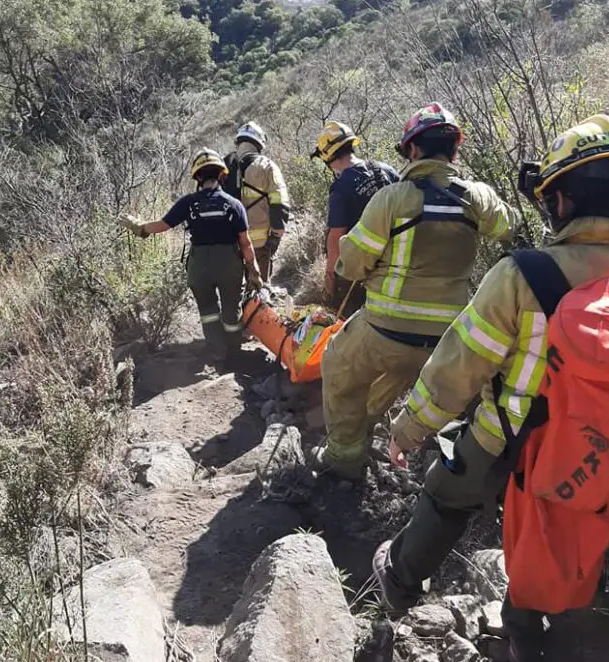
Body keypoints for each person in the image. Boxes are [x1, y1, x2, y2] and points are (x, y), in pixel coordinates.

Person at [372, 114, 609, 662]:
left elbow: (459, 367)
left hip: (504, 440)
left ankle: (399, 584)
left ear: (562, 201)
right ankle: (525, 628)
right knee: (560, 531)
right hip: (597, 451)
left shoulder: (523, 273)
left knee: (446, 495)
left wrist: (410, 428)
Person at [312, 103, 521, 480]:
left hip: (385, 329)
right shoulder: (477, 197)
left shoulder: (393, 199)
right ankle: (377, 427)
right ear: (455, 151)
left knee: (338, 366)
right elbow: (507, 225)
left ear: (411, 150)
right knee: (399, 370)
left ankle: (343, 460)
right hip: (449, 340)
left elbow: (352, 263)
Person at [120, 148, 263, 362]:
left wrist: (139, 227)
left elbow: (161, 226)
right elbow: (245, 242)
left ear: (197, 177)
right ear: (222, 175)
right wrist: (254, 271)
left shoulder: (188, 203)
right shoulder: (234, 205)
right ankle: (234, 352)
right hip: (229, 267)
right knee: (231, 312)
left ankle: (217, 351)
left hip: (200, 268)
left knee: (208, 311)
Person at [311, 121, 399, 315]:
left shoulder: (341, 188)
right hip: (399, 264)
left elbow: (336, 237)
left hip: (361, 271)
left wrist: (330, 281)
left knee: (346, 318)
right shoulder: (386, 170)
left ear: (328, 156)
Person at [223, 121, 290, 284]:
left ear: (238, 142)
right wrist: (277, 231)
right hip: (259, 244)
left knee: (232, 290)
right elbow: (280, 200)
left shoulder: (223, 165)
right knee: (259, 290)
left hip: (229, 243)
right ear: (259, 143)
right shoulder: (267, 166)